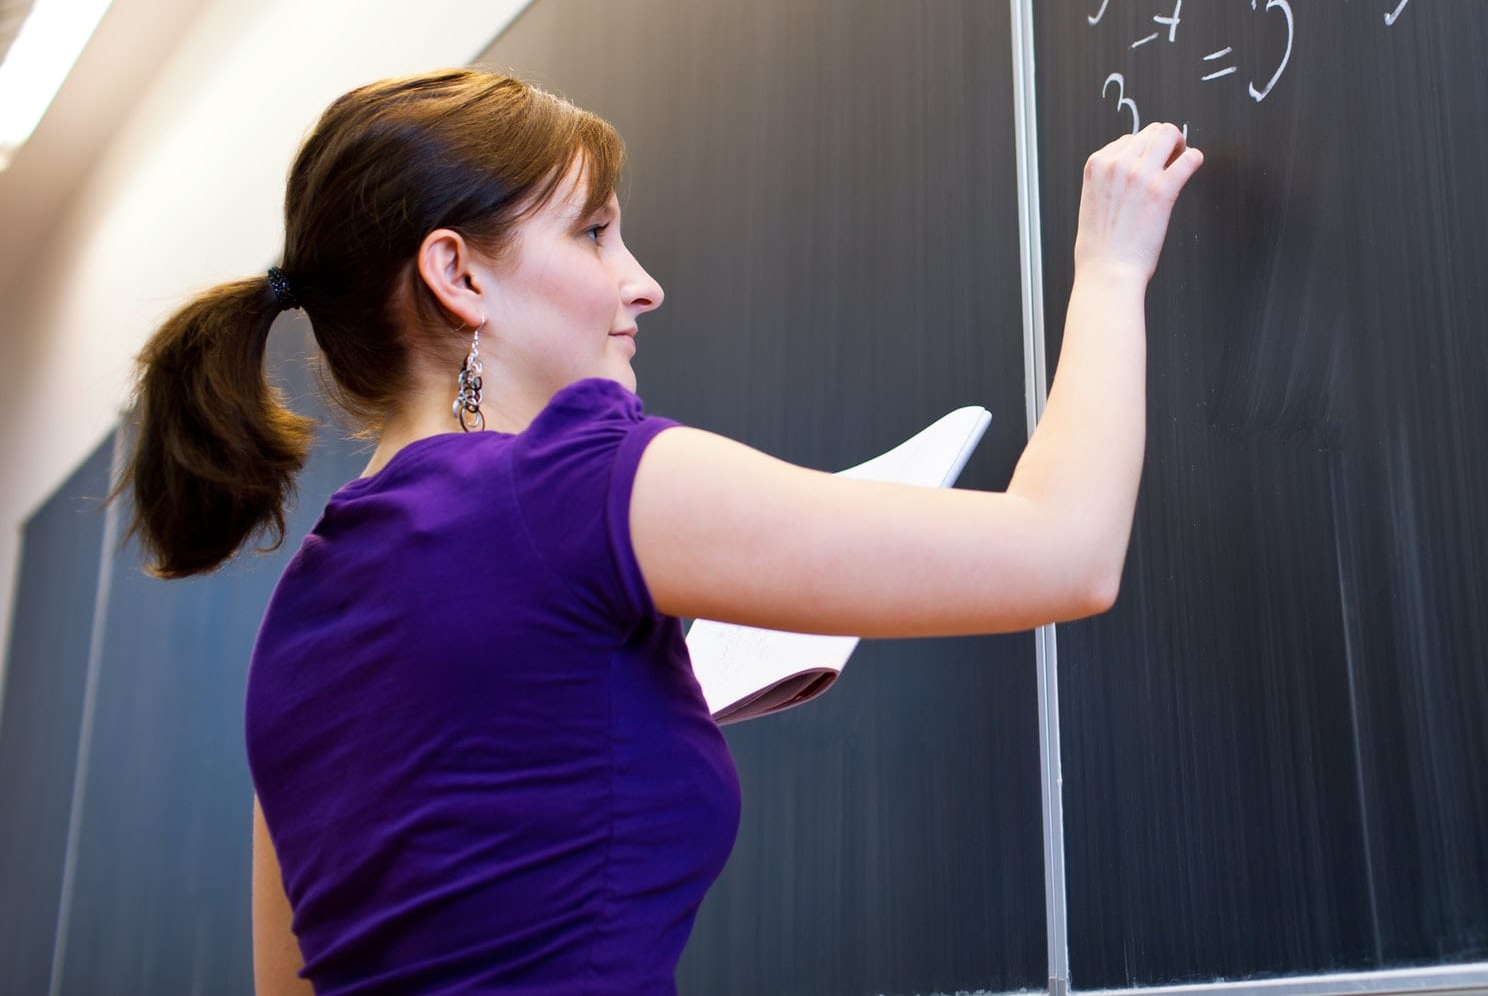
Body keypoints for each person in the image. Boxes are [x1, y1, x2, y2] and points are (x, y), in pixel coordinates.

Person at [116, 68, 1203, 994]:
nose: (641, 283)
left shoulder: (296, 624)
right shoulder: (574, 482)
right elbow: (1065, 549)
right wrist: (1109, 267)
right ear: (458, 275)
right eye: (593, 232)